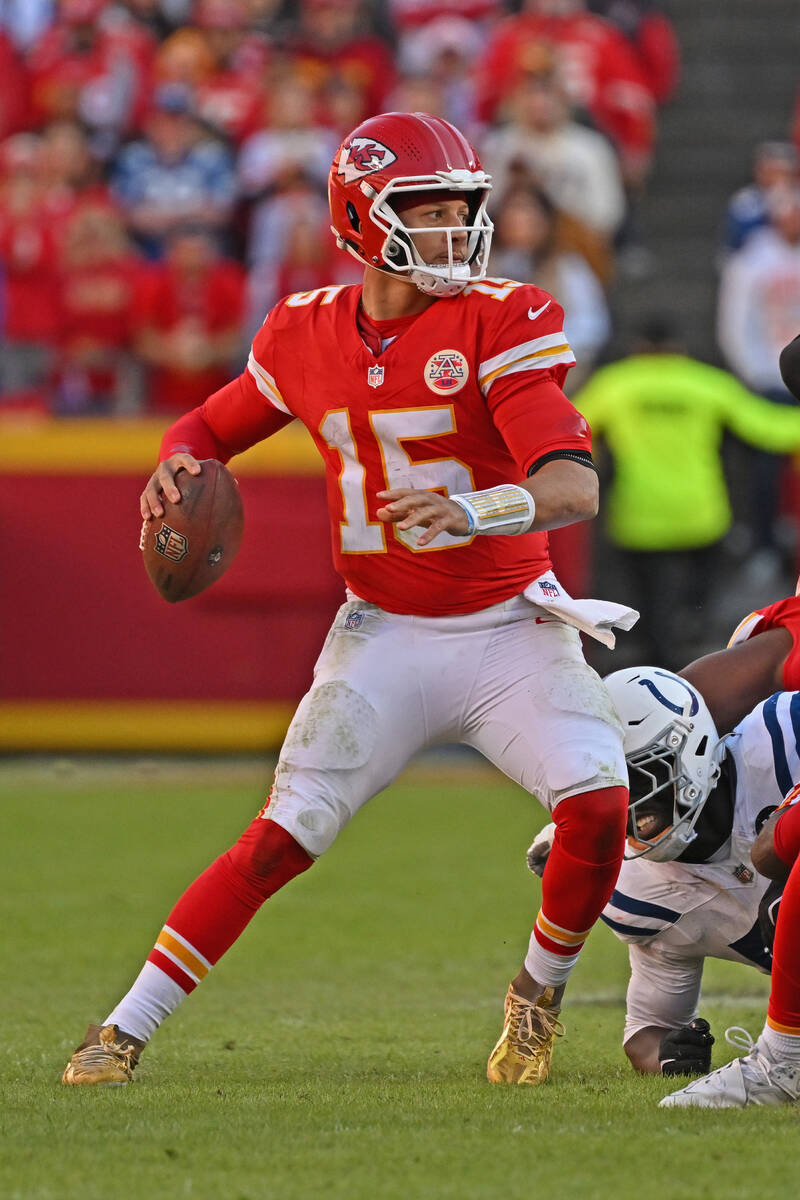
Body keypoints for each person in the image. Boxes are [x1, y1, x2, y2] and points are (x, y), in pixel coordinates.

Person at [61, 111, 636, 1089]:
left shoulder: (504, 316)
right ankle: (121, 1030)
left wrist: (473, 506)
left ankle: (536, 994)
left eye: (462, 210)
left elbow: (572, 484)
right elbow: (205, 427)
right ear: (359, 215)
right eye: (427, 209)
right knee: (283, 836)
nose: (454, 231)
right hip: (383, 636)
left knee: (597, 803)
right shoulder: (302, 332)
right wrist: (172, 464)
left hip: (510, 629)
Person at [528, 667, 785, 1078]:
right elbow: (647, 1031)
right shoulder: (640, 894)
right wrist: (665, 1055)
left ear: (690, 749)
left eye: (638, 778)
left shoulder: (780, 742)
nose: (626, 811)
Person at [573, 316, 800, 669]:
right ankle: (693, 650)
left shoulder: (615, 383)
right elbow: (769, 429)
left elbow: (570, 429)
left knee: (650, 605)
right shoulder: (705, 382)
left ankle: (656, 667)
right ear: (678, 348)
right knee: (694, 599)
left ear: (637, 349)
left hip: (639, 517)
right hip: (701, 514)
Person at [660, 776, 800, 1107]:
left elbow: (769, 853)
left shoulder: (766, 738)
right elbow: (647, 1029)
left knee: (778, 903)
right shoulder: (631, 886)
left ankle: (784, 1057)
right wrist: (667, 1055)